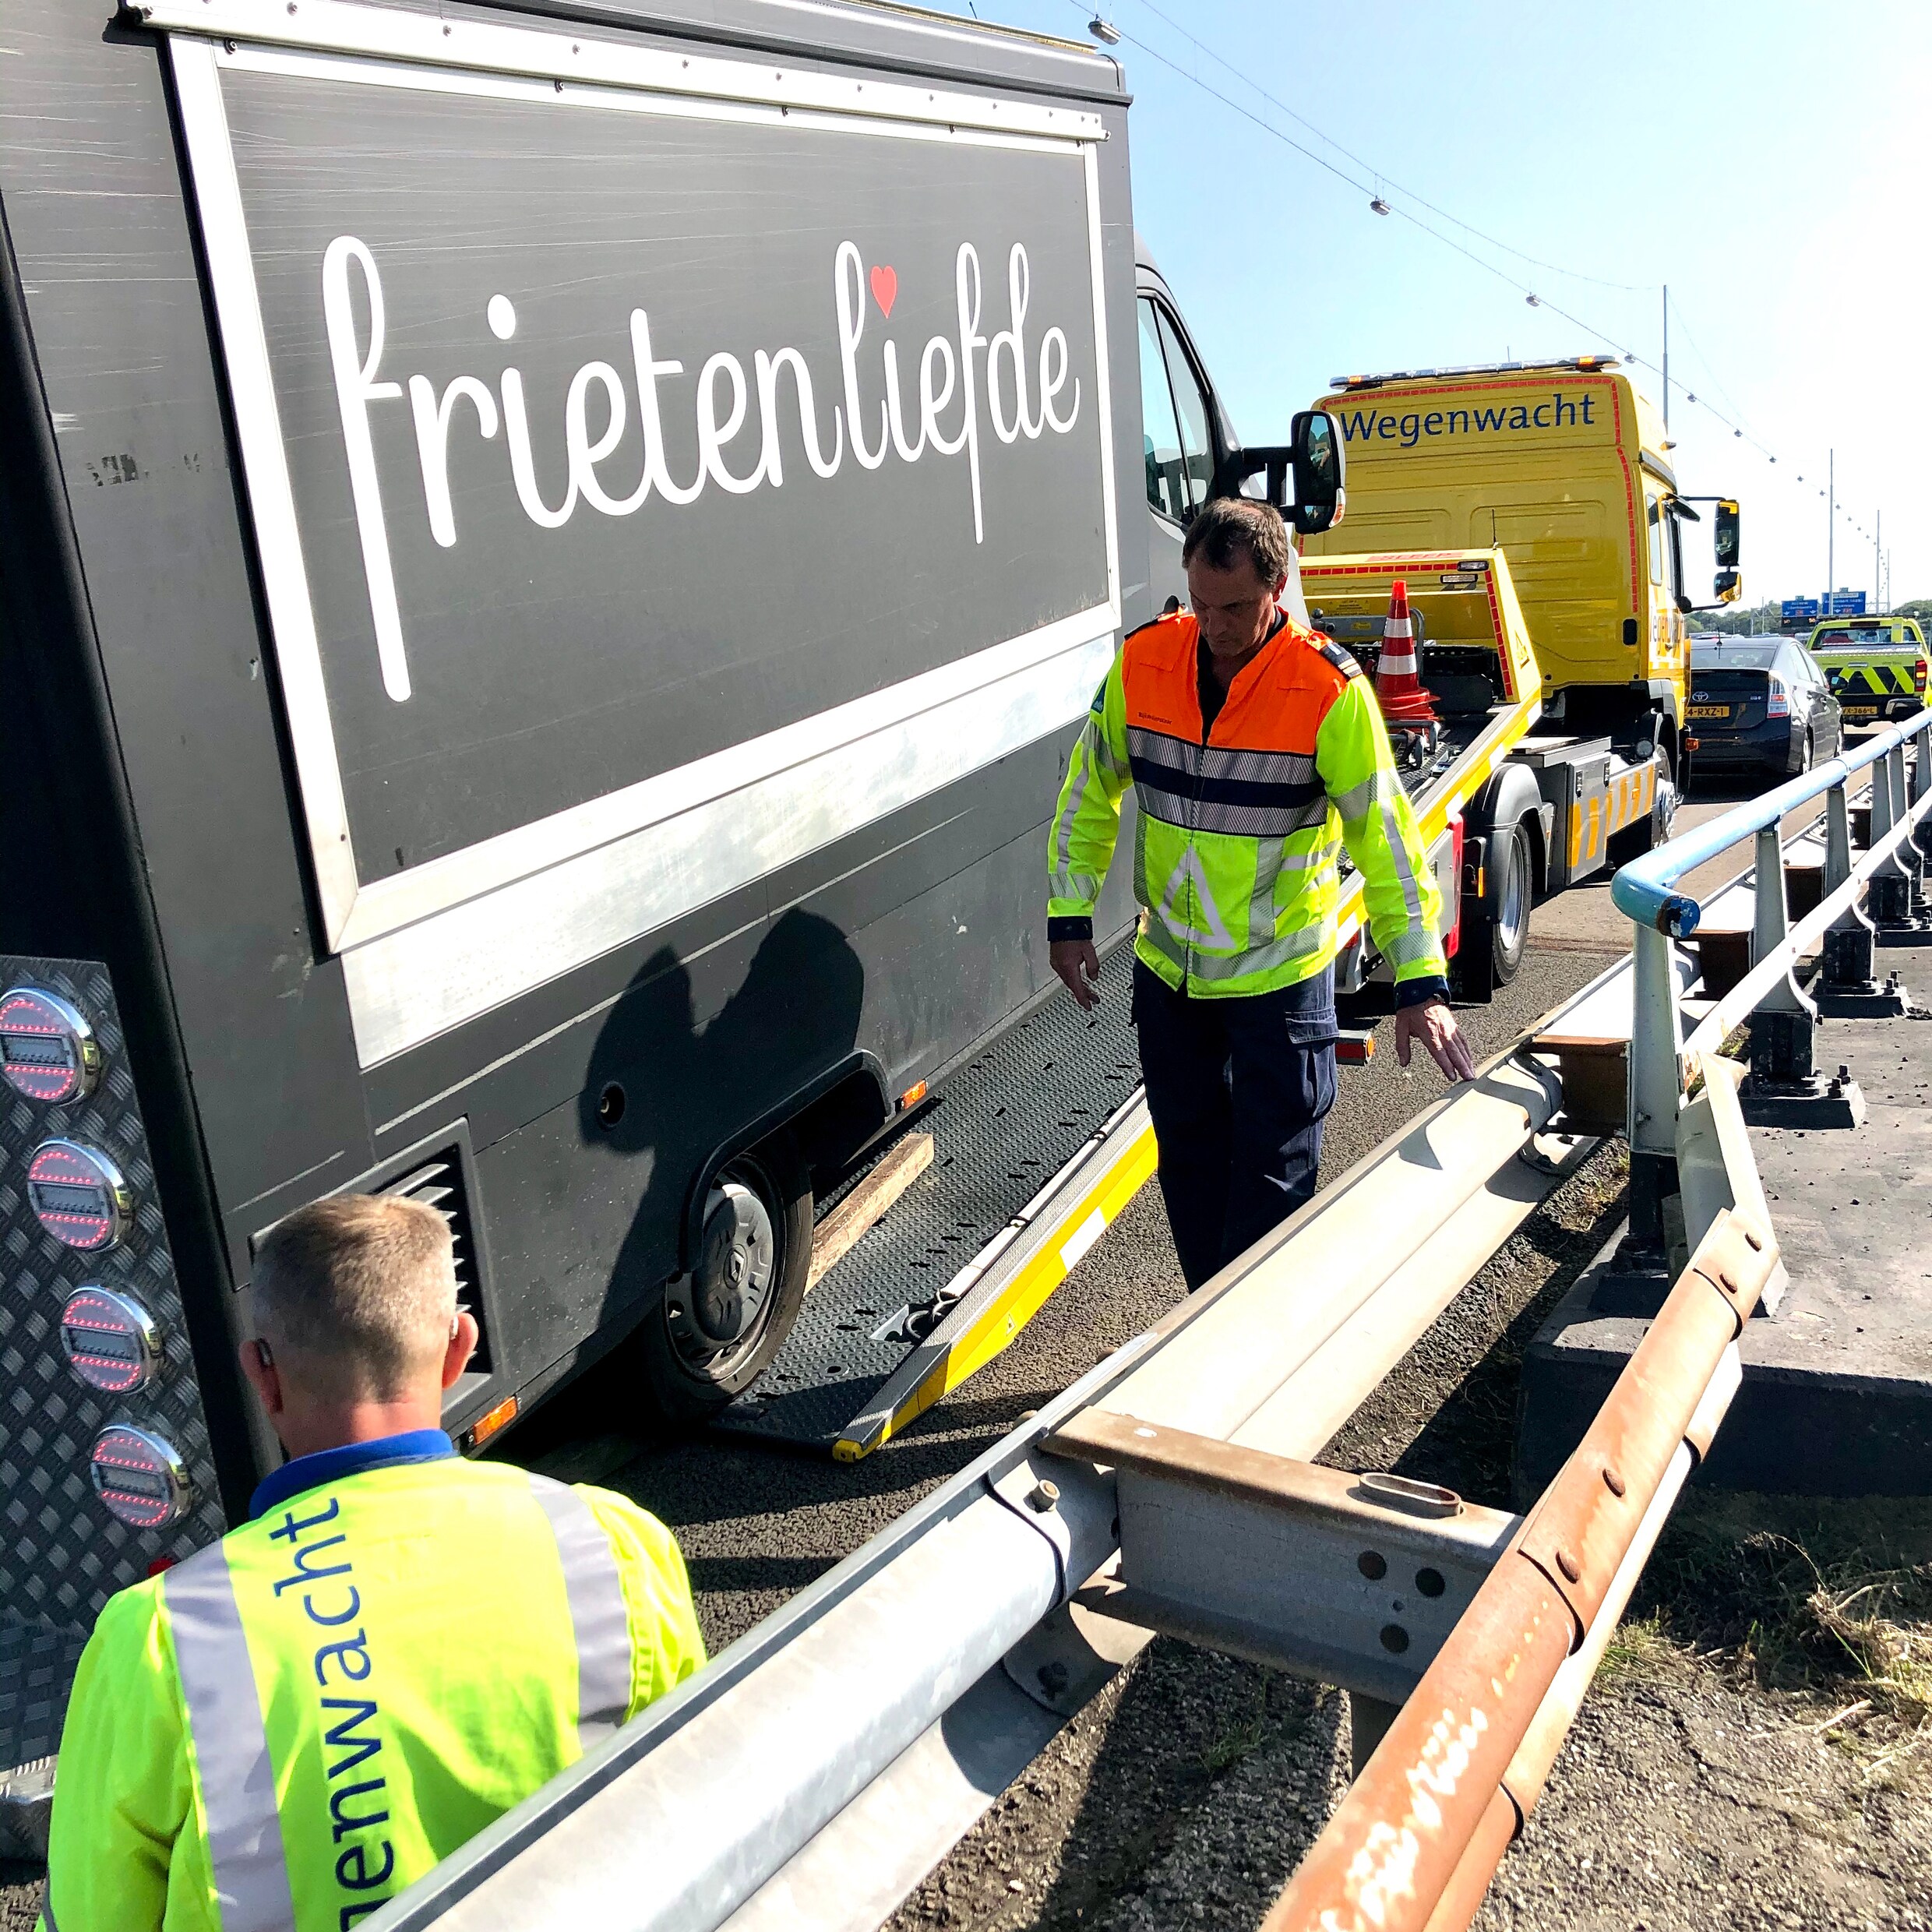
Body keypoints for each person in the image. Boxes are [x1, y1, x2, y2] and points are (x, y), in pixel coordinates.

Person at [37, 1193, 704, 1932]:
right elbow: (684, 1814)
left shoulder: (159, 1640)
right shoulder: (613, 1545)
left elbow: (89, 1918)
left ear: (264, 1375)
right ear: (459, 1348)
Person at [1047, 495, 1476, 1289]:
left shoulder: (1324, 688)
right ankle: (1206, 1326)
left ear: (1275, 588)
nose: (1212, 625)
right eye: (1200, 604)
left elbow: (1383, 839)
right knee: (1189, 1162)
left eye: (1234, 608)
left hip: (1279, 980)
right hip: (1171, 971)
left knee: (1274, 1178)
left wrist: (1420, 981)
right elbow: (1088, 791)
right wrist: (1067, 915)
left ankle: (1236, 1344)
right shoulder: (1144, 661)